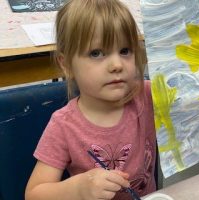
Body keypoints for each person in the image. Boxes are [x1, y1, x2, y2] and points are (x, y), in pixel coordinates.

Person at [25, 0, 157, 199]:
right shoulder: (64, 125)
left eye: (125, 51)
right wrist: (79, 188)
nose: (116, 65)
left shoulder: (146, 96)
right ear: (67, 64)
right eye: (96, 53)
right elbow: (34, 193)